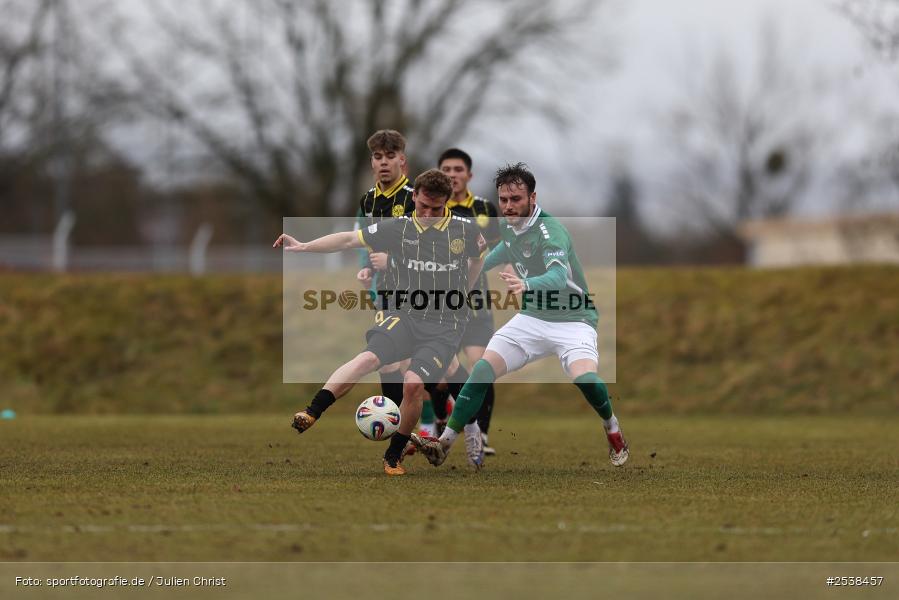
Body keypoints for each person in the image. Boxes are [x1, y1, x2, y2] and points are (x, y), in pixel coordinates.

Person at [411, 163, 629, 468]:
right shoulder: (509, 225)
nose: (509, 206)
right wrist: (467, 271)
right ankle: (444, 444)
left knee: (585, 379)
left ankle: (611, 425)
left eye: (516, 199)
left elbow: (557, 277)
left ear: (532, 198)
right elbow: (504, 251)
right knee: (482, 370)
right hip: (532, 319)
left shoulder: (550, 232)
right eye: (503, 199)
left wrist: (525, 284)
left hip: (573, 320)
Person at [275, 169, 487, 475]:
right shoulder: (398, 227)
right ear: (415, 196)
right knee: (368, 359)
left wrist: (465, 287)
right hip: (405, 315)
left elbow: (479, 255)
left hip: (445, 324)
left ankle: (393, 456)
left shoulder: (464, 230)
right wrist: (304, 246)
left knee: (414, 384)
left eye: (436, 208)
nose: (428, 214)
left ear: (447, 203)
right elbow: (349, 239)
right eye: (423, 206)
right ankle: (311, 412)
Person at [431, 148, 501, 456]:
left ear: (469, 175)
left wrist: (516, 279)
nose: (452, 174)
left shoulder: (484, 209)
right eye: (446, 169)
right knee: (439, 373)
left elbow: (502, 252)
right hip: (439, 306)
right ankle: (440, 420)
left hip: (476, 304)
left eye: (458, 169)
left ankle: (481, 435)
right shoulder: (431, 208)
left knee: (481, 366)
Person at [355, 130, 415, 410]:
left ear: (402, 160)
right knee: (389, 362)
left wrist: (392, 260)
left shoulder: (415, 198)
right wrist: (368, 267)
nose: (383, 162)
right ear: (371, 162)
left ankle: (459, 421)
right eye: (377, 156)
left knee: (427, 366)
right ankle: (397, 425)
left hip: (419, 289)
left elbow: (429, 245)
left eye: (390, 156)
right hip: (386, 291)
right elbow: (368, 241)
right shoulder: (367, 201)